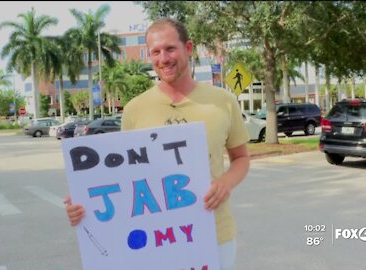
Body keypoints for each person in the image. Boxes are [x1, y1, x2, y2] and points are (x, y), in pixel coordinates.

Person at [65, 18, 250, 270]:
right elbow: (122, 178)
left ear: (188, 48)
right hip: (154, 243)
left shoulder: (223, 102)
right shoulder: (134, 110)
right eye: (155, 52)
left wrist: (225, 183)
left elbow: (241, 158)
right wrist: (84, 201)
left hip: (213, 235)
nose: (163, 58)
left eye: (170, 48)